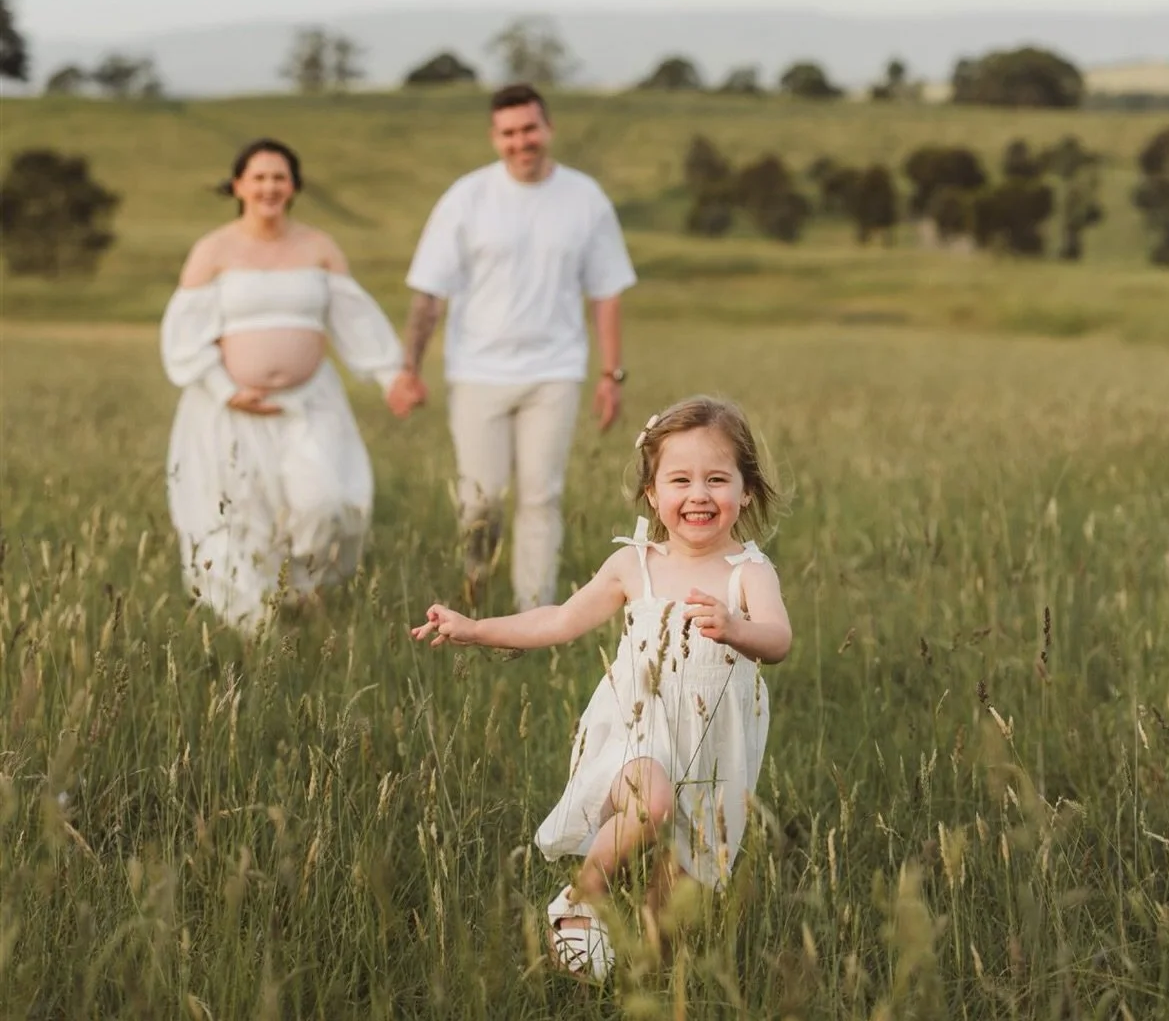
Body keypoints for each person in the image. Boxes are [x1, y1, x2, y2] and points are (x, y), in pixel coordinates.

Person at [412, 394, 791, 983]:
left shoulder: (749, 572)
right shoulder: (634, 565)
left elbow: (779, 639)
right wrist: (475, 629)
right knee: (650, 804)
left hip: (716, 745)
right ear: (652, 493)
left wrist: (737, 628)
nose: (698, 494)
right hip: (639, 730)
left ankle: (638, 965)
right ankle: (581, 895)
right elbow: (559, 620)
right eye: (680, 480)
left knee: (678, 896)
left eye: (717, 479)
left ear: (745, 491)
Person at [393, 83, 637, 610]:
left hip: (555, 370)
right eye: (509, 133)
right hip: (478, 372)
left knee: (541, 495)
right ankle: (476, 584)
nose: (520, 141)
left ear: (548, 128)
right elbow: (430, 293)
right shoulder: (466, 199)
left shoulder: (584, 199)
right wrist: (408, 369)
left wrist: (611, 376)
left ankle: (536, 612)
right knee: (480, 500)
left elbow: (606, 292)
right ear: (494, 137)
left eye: (529, 129)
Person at [161, 138, 420, 632]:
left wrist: (391, 376)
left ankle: (305, 590)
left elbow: (353, 319)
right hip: (229, 408)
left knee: (325, 502)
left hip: (309, 404)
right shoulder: (213, 250)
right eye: (258, 177)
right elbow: (184, 337)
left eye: (279, 177)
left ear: (295, 186)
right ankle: (253, 624)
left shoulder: (318, 247)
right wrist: (226, 389)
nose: (269, 187)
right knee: (242, 516)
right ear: (238, 185)